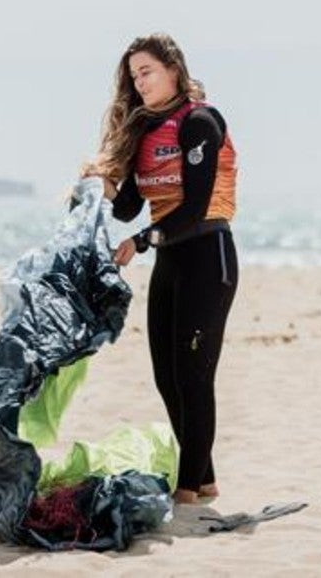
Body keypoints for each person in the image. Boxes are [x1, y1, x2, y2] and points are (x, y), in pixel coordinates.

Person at [81, 33, 239, 505]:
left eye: (146, 71)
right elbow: (130, 206)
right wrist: (98, 187)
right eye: (133, 76)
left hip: (209, 256)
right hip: (170, 262)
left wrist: (143, 241)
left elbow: (192, 209)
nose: (140, 83)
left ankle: (187, 488)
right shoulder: (148, 132)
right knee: (166, 376)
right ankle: (203, 477)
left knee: (194, 376)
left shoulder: (200, 122)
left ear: (173, 68)